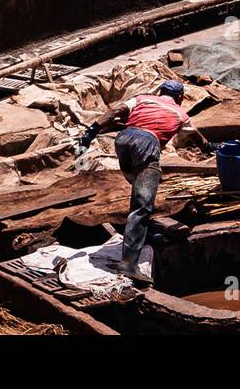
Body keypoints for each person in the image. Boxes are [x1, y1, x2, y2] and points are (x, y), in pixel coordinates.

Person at [78, 79, 215, 277]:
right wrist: (211, 147)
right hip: (147, 144)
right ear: (180, 98)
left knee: (140, 189)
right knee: (142, 205)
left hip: (124, 141)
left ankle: (143, 233)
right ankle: (129, 264)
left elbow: (114, 112)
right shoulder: (181, 114)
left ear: (160, 93)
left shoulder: (141, 99)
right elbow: (198, 139)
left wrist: (90, 132)